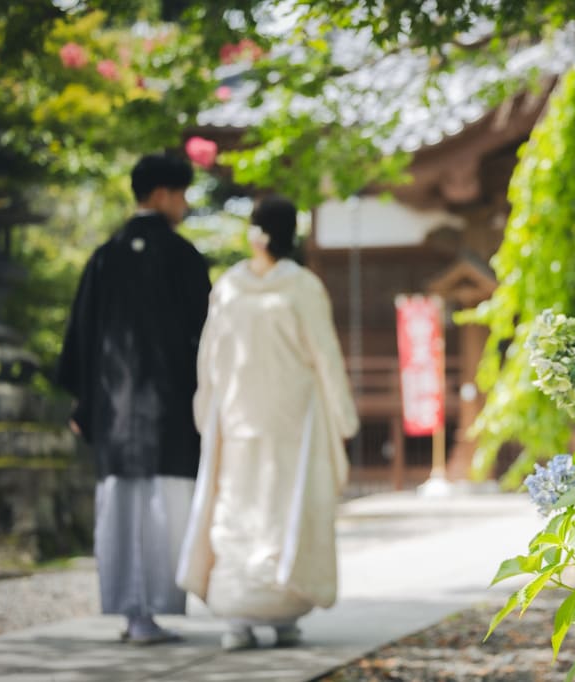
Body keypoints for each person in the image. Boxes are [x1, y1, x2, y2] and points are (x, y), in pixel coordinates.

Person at [177, 195, 358, 651]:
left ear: (255, 232)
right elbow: (325, 355)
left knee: (239, 507)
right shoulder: (301, 285)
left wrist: (205, 406)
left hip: (242, 413)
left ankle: (241, 613)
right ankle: (279, 610)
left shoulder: (230, 286)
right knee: (280, 509)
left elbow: (210, 357)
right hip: (287, 417)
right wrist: (343, 416)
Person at [56, 153, 211, 645]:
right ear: (163, 193)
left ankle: (131, 614)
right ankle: (154, 612)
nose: (184, 204)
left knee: (121, 511)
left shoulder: (106, 256)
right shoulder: (184, 257)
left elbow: (81, 336)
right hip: (169, 413)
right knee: (164, 508)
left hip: (116, 416)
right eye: (182, 194)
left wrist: (84, 405)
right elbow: (205, 339)